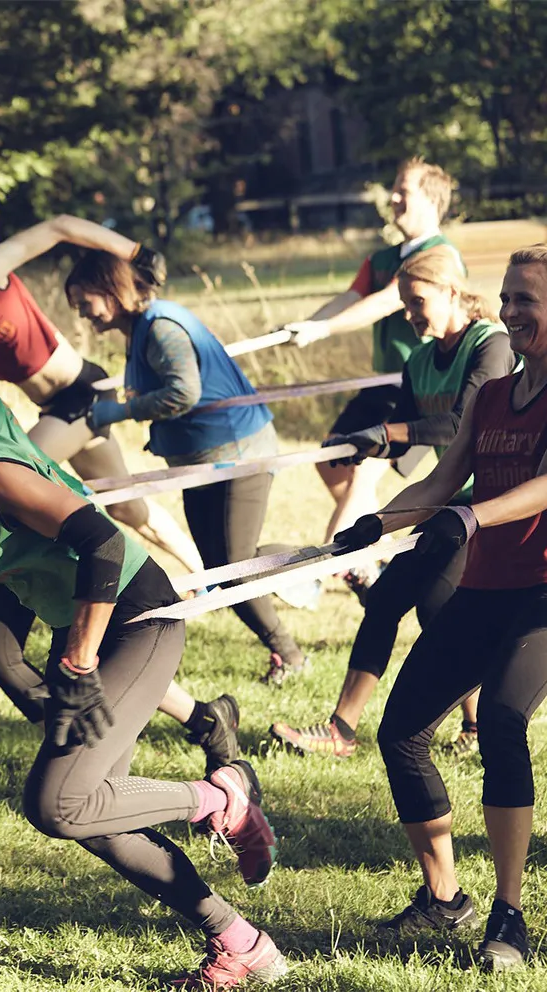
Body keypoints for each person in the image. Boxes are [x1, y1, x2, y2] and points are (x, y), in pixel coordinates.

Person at [0, 339, 286, 986]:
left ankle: (221, 797)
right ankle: (243, 946)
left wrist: (76, 661)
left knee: (57, 803)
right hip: (89, 630)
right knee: (93, 813)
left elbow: (100, 542)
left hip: (137, 618)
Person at [0, 302, 241, 772]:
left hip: (91, 571)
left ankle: (180, 762)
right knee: (56, 733)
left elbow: (90, 536)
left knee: (22, 676)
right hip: (42, 572)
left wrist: (77, 666)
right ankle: (168, 726)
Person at [333, 246, 547, 972]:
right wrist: (376, 525)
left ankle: (509, 917)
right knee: (401, 732)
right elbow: (446, 478)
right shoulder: (491, 398)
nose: (513, 311)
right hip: (486, 587)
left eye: (529, 300)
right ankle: (444, 898)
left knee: (507, 724)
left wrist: (471, 518)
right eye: (509, 297)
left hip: (543, 593)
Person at [270, 246, 514, 758]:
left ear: (451, 291)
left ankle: (479, 728)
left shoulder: (490, 346)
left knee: (438, 610)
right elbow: (408, 433)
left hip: (489, 505)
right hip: (446, 499)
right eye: (403, 305)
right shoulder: (421, 358)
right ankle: (342, 730)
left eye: (416, 302)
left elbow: (461, 423)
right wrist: (366, 444)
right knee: (389, 602)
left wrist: (387, 429)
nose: (409, 315)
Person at [0, 203, 205, 577]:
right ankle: (207, 575)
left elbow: (60, 225)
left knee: (20, 479)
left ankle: (93, 574)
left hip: (83, 392)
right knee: (125, 506)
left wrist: (135, 252)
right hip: (54, 408)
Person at [65, 251, 306, 685]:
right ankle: (315, 562)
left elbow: (183, 392)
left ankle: (289, 652)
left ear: (110, 291)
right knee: (218, 567)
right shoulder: (140, 328)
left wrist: (116, 413)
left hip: (238, 454)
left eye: (86, 303)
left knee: (232, 570)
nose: (84, 315)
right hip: (199, 463)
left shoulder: (160, 327)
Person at [280, 158, 462, 588]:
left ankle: (318, 575)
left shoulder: (439, 256)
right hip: (380, 385)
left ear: (431, 200)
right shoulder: (381, 257)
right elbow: (350, 297)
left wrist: (323, 329)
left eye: (404, 190)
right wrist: (305, 326)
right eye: (394, 189)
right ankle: (366, 554)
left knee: (364, 473)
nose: (393, 198)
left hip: (419, 391)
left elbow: (384, 301)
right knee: (332, 460)